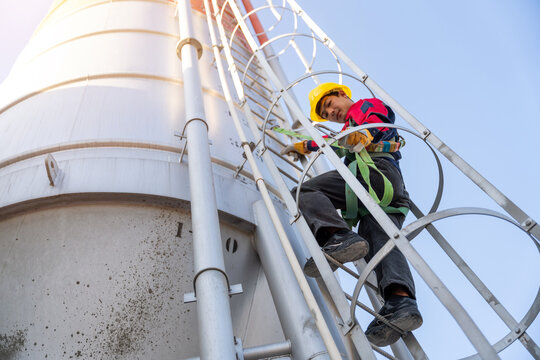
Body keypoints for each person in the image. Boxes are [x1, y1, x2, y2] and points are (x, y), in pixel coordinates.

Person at [280, 82, 422, 347]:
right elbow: (333, 143)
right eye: (324, 112)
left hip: (373, 173)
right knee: (379, 243)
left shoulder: (364, 107)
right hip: (388, 190)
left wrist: (365, 135)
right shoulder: (348, 130)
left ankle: (337, 237)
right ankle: (400, 302)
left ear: (342, 95)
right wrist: (305, 146)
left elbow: (377, 120)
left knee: (303, 191)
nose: (329, 112)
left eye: (330, 104)